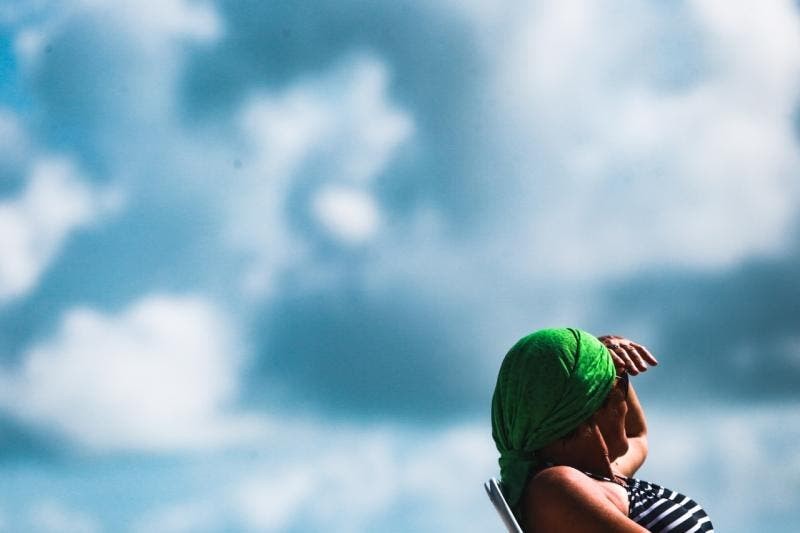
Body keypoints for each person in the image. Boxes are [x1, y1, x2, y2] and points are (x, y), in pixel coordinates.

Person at [491, 328, 714, 532]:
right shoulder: (556, 487)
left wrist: (604, 359)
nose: (626, 403)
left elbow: (637, 435)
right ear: (594, 405)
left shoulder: (596, 477)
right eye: (620, 385)